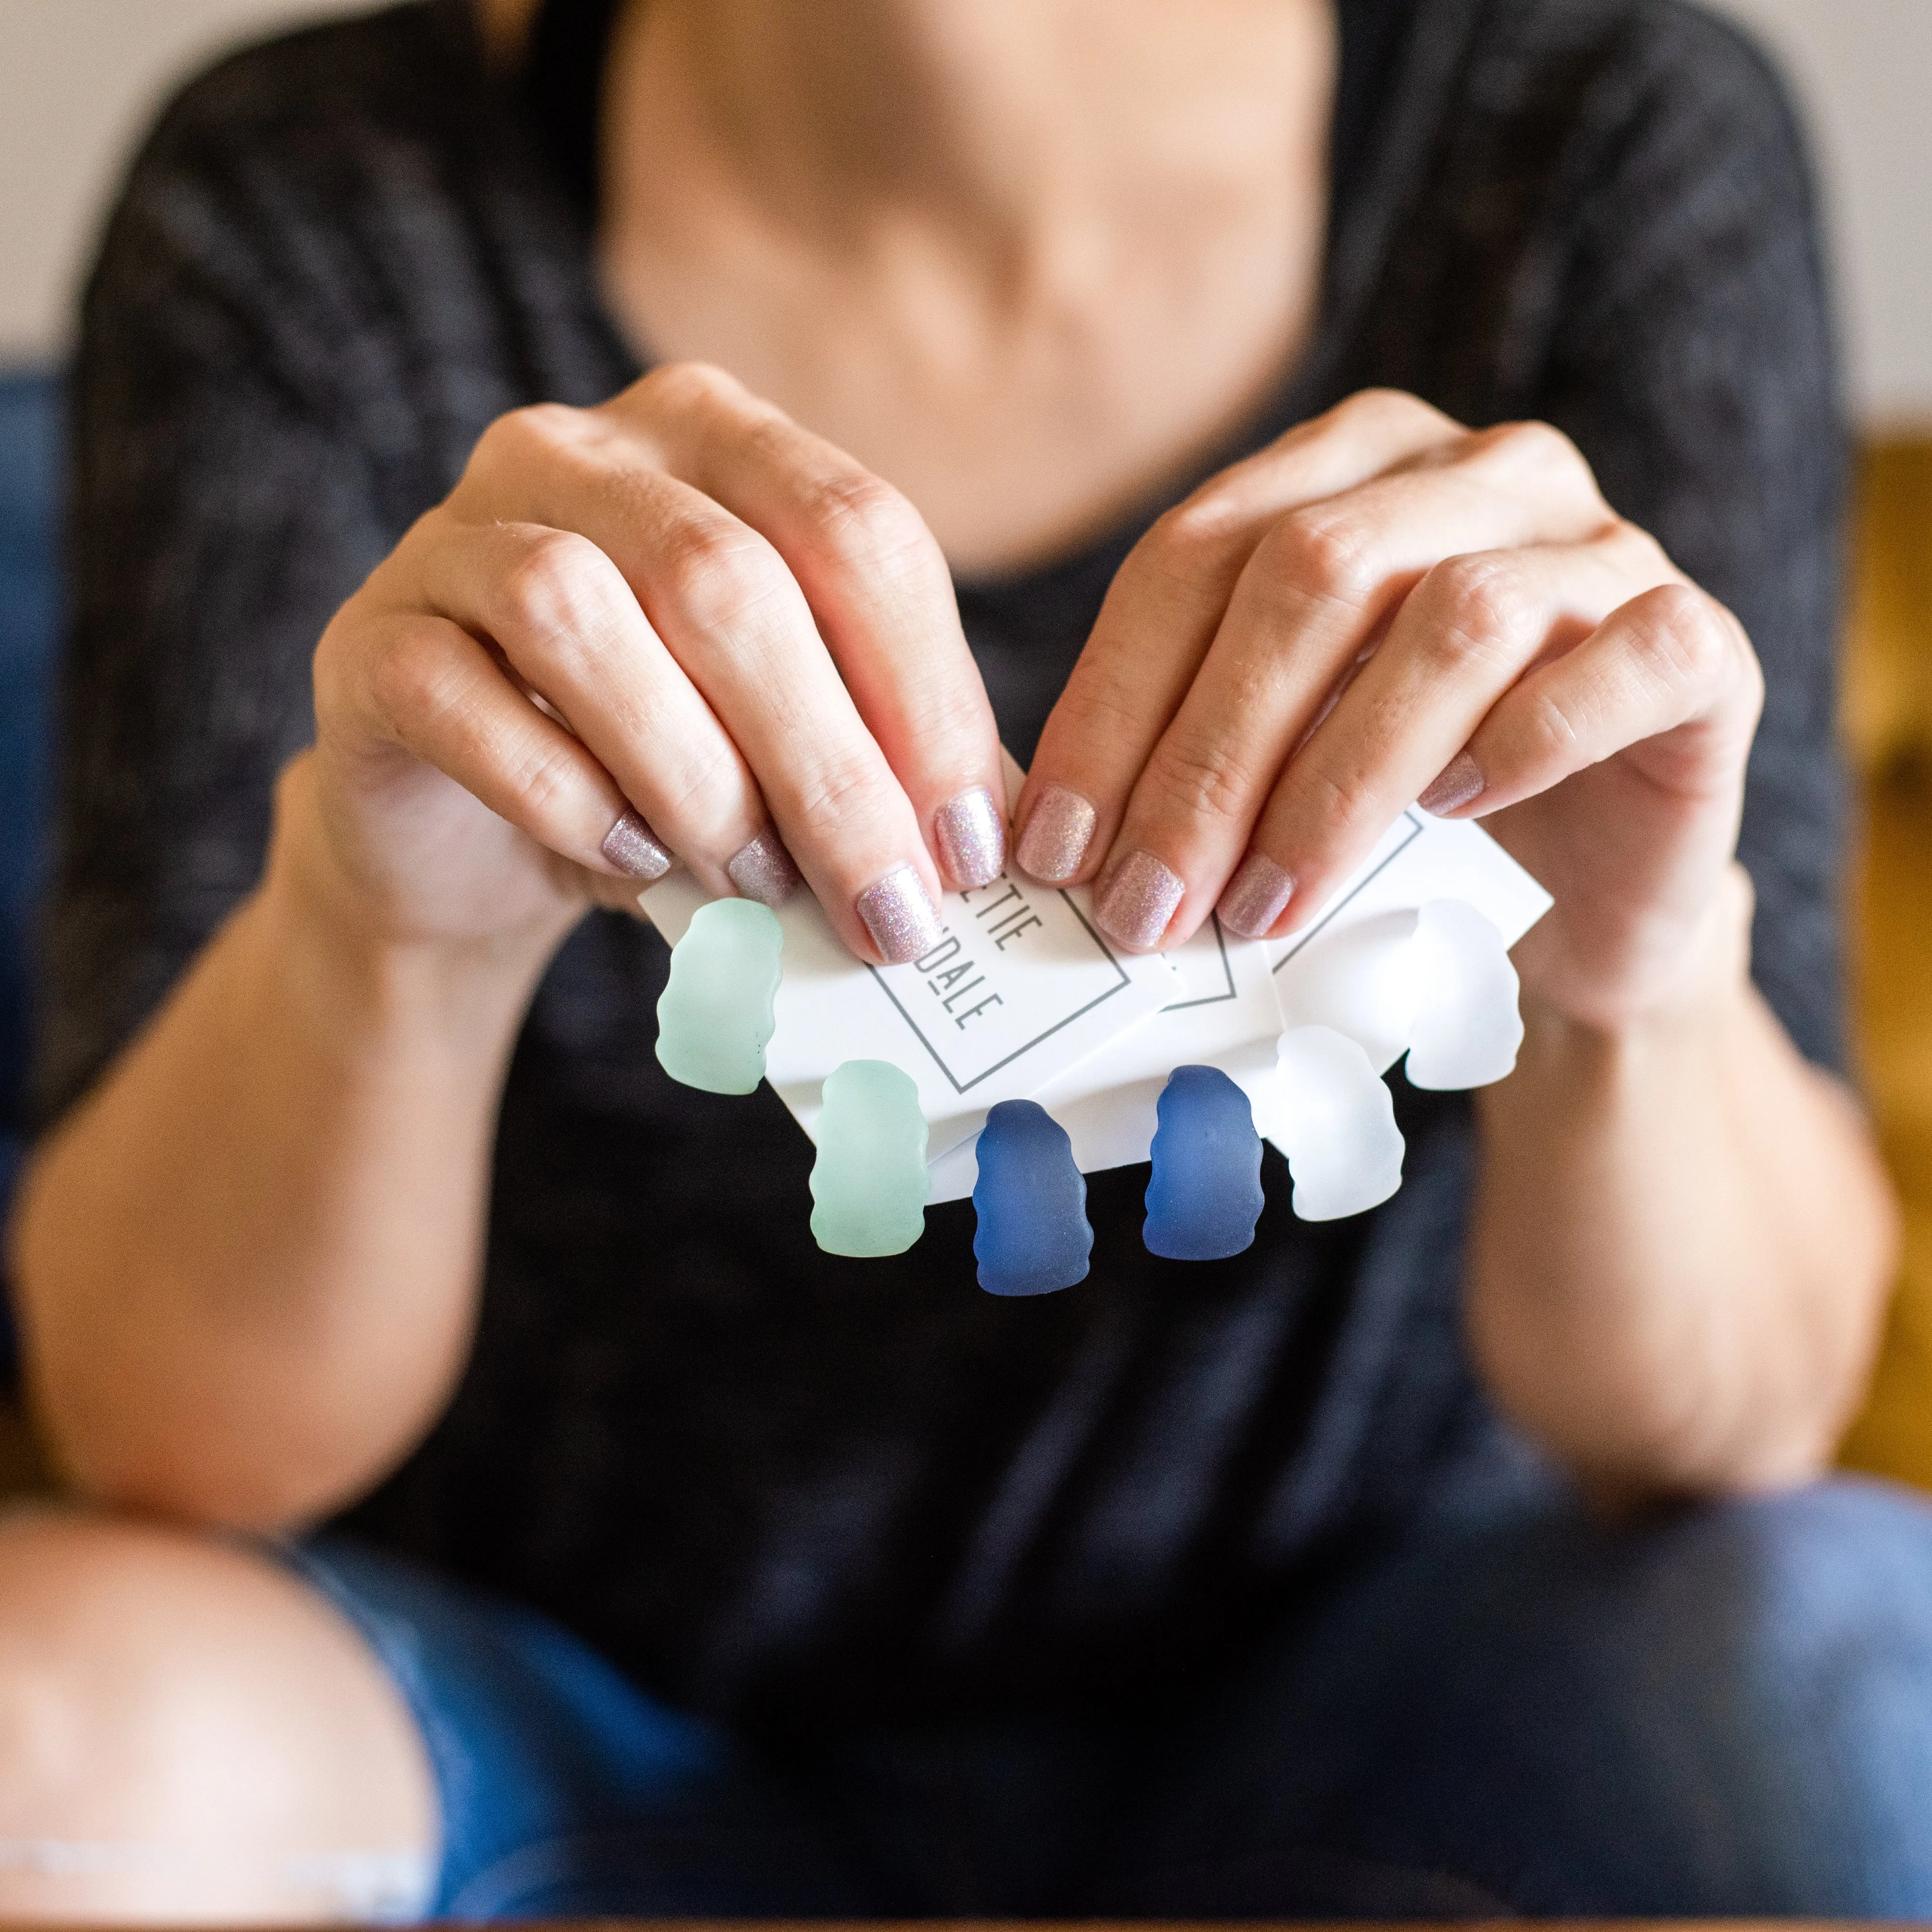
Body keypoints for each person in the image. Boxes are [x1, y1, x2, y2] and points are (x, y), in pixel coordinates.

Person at [5, 0, 1930, 1917]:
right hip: (562, 1716)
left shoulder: (1587, 129)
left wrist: (1628, 967)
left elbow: (1739, 1416)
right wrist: (375, 931)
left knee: (1857, 1664)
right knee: (47, 1713)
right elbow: (165, 1431)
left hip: (1388, 1702)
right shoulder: (319, 191)